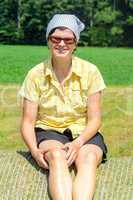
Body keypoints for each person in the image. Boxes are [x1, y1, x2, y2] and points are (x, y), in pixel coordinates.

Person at [19, 14, 107, 200]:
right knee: (57, 157)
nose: (61, 44)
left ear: (75, 44)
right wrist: (35, 151)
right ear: (48, 41)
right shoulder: (35, 75)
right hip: (49, 130)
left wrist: (78, 142)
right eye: (56, 38)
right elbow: (27, 122)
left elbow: (95, 119)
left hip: (84, 133)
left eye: (68, 40)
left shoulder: (91, 72)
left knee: (88, 160)